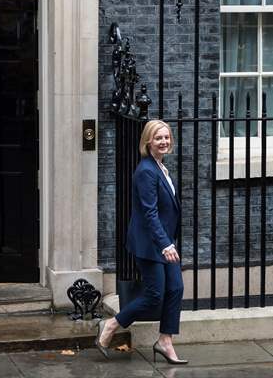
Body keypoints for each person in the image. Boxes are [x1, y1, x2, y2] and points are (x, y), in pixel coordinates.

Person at [95, 120, 187, 364]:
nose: (164, 142)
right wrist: (166, 244)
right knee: (155, 295)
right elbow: (149, 213)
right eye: (158, 138)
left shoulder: (160, 167)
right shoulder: (146, 170)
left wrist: (169, 241)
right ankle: (111, 324)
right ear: (148, 142)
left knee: (176, 288)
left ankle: (165, 341)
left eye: (167, 137)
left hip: (164, 242)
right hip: (150, 244)